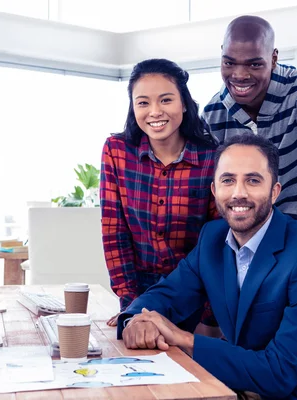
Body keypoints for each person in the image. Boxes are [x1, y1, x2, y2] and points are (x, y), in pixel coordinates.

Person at [117, 134, 297, 400]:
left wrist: (185, 339)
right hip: (246, 390)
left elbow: (280, 372)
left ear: (275, 191)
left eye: (253, 180)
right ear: (214, 190)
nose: (239, 193)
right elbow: (167, 294)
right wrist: (137, 320)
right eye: (228, 180)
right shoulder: (212, 238)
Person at [201, 15, 297, 286]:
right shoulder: (213, 114)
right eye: (229, 62)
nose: (239, 75)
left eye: (254, 63)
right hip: (247, 259)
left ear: (274, 58)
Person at [100, 58, 219, 331]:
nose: (154, 112)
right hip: (139, 295)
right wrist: (130, 304)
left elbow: (218, 243)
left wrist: (208, 319)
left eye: (166, 100)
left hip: (196, 296)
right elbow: (114, 232)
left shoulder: (212, 158)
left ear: (184, 103)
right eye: (143, 102)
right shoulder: (116, 151)